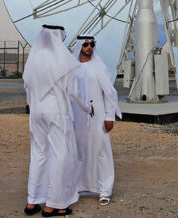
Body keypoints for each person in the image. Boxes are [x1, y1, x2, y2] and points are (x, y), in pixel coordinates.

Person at [23, 25, 93, 217]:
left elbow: (27, 86)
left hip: (36, 113)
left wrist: (34, 106)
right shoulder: (64, 58)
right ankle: (55, 204)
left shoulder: (33, 58)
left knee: (38, 154)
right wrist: (88, 107)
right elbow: (74, 93)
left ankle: (33, 200)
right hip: (56, 113)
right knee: (60, 155)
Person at [71, 35, 121, 206]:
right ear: (80, 46)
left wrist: (109, 116)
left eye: (92, 44)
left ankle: (105, 189)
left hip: (98, 116)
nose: (89, 47)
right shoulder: (72, 68)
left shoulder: (99, 66)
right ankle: (80, 186)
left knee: (102, 151)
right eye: (85, 44)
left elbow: (109, 93)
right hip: (77, 117)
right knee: (79, 150)